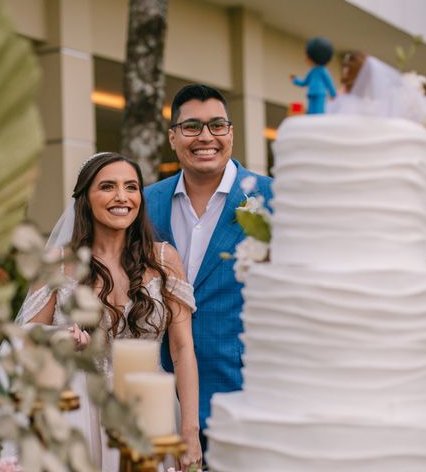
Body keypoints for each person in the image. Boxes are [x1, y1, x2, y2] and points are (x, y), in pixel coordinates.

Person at [16, 152, 203, 471]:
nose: (122, 197)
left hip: (148, 410)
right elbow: (25, 342)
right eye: (107, 186)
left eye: (131, 187)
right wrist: (58, 337)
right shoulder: (56, 262)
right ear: (85, 198)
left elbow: (183, 348)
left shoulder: (163, 259)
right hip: (78, 413)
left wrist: (189, 429)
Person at [144, 84, 273, 451]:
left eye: (217, 125)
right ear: (172, 137)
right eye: (191, 127)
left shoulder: (274, 199)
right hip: (163, 405)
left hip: (247, 402)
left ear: (231, 133)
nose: (206, 137)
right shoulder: (146, 203)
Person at [291, 36, 337, 114]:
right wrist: (295, 80)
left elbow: (329, 84)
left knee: (318, 112)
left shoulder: (323, 71)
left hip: (320, 94)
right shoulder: (312, 71)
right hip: (311, 93)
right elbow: (305, 82)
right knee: (311, 112)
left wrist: (334, 95)